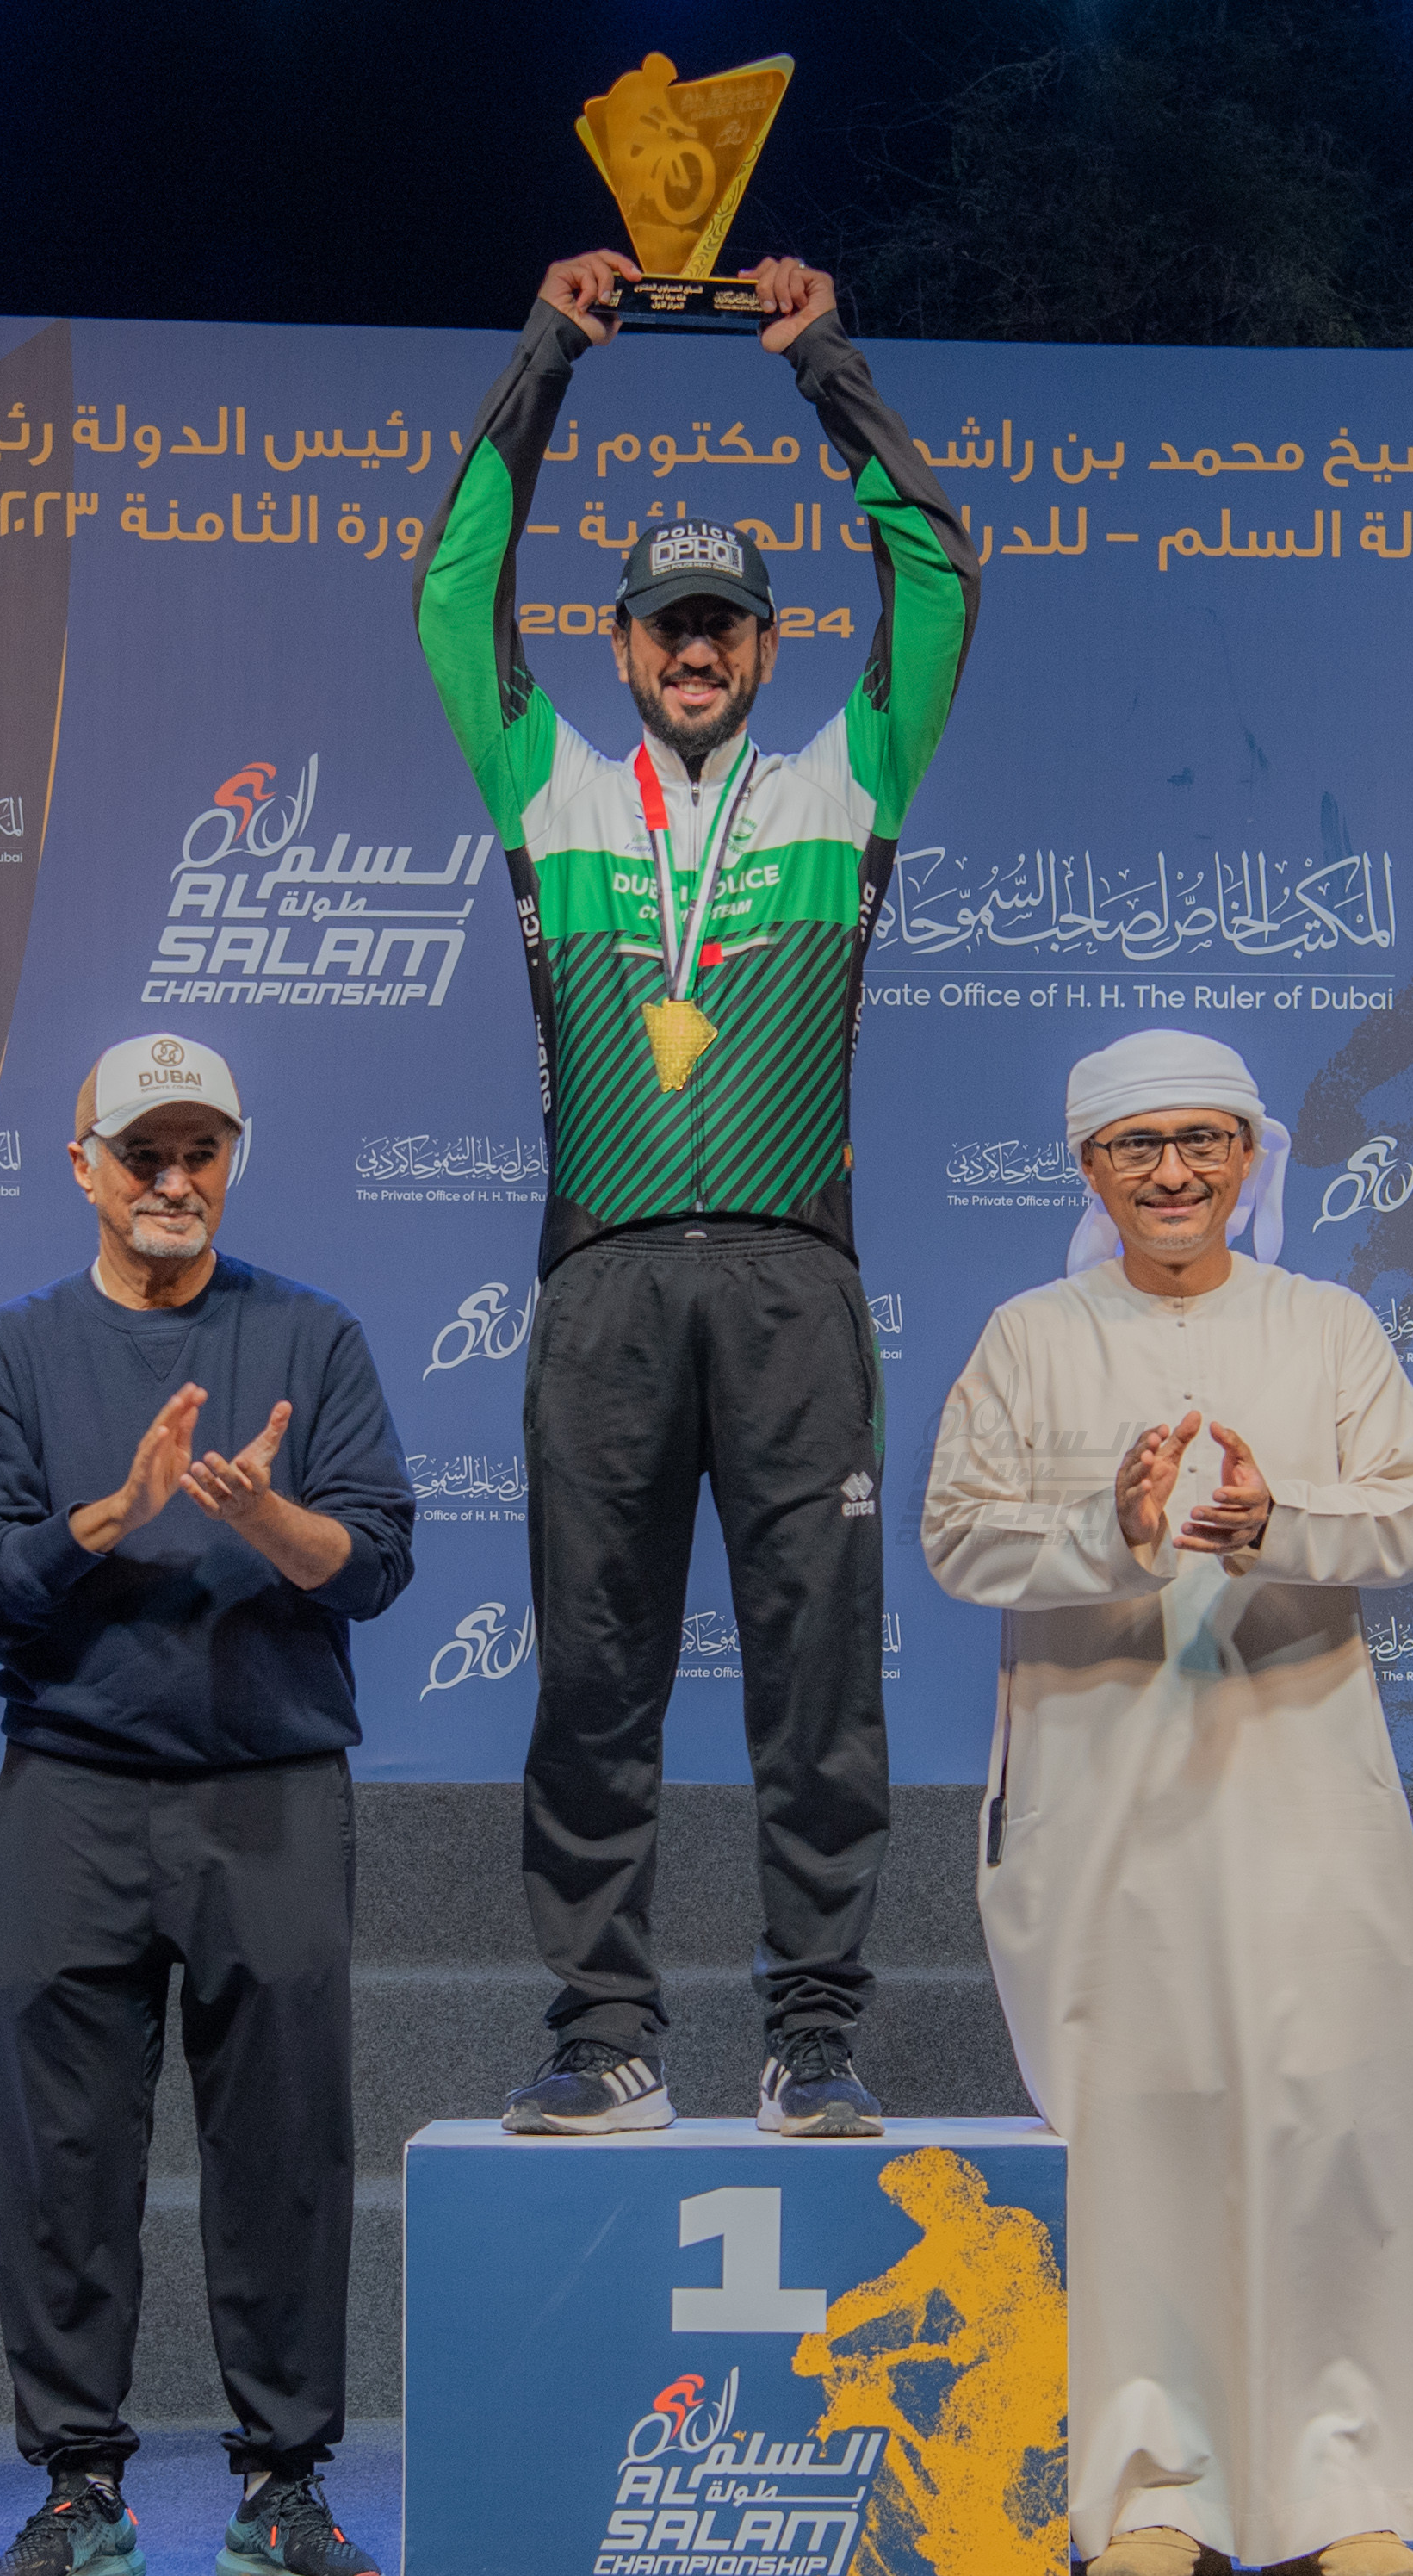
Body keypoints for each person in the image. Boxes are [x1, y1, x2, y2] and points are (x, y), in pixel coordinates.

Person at [415, 248, 978, 2141]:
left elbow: (937, 570)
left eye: (724, 625)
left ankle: (812, 2034)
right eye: (667, 625)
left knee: (817, 1677)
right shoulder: (549, 790)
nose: (695, 651)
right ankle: (606, 2034)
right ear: (621, 645)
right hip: (602, 1288)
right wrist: (547, 351)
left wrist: (824, 359)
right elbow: (451, 587)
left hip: (794, 1284)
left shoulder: (844, 786)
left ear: (767, 645)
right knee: (593, 1672)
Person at [920, 1031, 1413, 2576]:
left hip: (1301, 1792)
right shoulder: (1028, 1337)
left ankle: (1340, 2486)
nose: (1172, 1172)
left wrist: (1275, 1519)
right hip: (1105, 1805)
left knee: (1329, 2119)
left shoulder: (1325, 1325)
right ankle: (1141, 2488)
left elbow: (1410, 1508)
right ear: (1089, 1169)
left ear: (1249, 1157)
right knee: (1135, 2135)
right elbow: (957, 1537)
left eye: (1202, 1141)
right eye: (1136, 1146)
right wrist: (1108, 1528)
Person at [0, 1037, 417, 2576]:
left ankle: (284, 2487)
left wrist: (266, 1514)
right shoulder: (12, 1355)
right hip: (70, 1790)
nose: (172, 1179)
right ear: (83, 1167)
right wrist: (104, 1522)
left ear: (232, 1161)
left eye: (199, 1149)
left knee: (284, 2149)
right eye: (142, 1152)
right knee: (61, 2150)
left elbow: (376, 1562)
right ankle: (77, 2486)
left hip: (272, 1792)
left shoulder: (310, 1337)